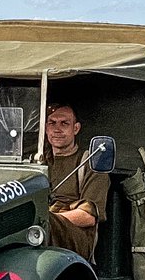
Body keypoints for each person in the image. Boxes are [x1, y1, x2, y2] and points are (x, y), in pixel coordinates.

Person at [43, 102, 109, 260]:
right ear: (45, 128)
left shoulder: (91, 162)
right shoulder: (37, 161)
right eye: (52, 123)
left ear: (76, 128)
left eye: (64, 123)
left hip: (75, 238)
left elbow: (88, 216)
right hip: (37, 232)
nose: (57, 129)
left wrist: (46, 221)